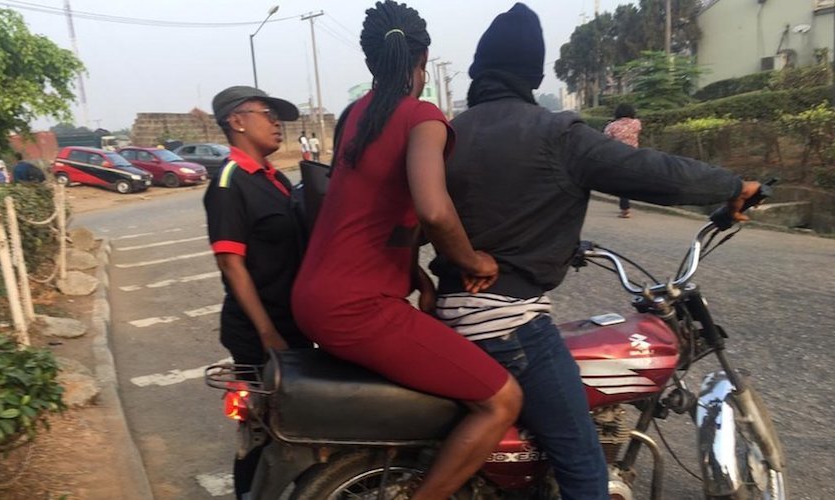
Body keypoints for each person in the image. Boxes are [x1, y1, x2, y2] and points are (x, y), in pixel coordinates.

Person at [429, 4, 761, 500]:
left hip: (450, 313)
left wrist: (562, 244)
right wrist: (732, 185)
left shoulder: (452, 133)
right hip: (509, 324)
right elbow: (652, 173)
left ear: (478, 69)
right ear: (535, 73)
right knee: (582, 461)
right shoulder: (556, 135)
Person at [291, 2, 522, 498]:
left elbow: (365, 210)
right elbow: (434, 210)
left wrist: (413, 274)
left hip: (313, 296)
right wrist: (472, 260)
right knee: (502, 400)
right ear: (424, 59)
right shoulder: (423, 117)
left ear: (372, 60)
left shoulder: (354, 116)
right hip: (356, 309)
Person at [202, 85, 312, 499]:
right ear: (237, 121)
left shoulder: (275, 178)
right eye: (267, 113)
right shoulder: (230, 183)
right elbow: (232, 264)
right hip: (260, 334)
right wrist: (267, 335)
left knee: (296, 418)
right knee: (259, 425)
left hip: (292, 323)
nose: (276, 122)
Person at [604, 103, 642, 218]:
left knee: (622, 181)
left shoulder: (612, 126)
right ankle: (627, 204)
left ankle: (625, 209)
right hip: (634, 154)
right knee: (629, 179)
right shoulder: (637, 123)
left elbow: (606, 138)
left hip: (618, 156)